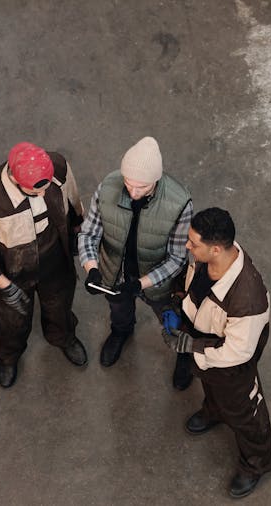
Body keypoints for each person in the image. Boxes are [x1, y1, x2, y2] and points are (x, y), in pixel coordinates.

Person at [162, 207, 271, 500]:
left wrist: (192, 346)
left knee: (246, 414)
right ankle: (214, 411)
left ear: (215, 248)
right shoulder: (206, 259)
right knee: (210, 384)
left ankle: (257, 463)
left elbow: (237, 350)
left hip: (232, 363)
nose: (188, 246)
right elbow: (193, 287)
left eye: (193, 243)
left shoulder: (247, 298)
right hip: (205, 341)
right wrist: (178, 304)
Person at [0, 142, 87, 389]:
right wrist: (2, 283)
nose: (43, 193)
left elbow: (73, 199)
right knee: (11, 319)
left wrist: (77, 232)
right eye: (35, 191)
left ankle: (64, 337)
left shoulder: (58, 167)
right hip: (11, 271)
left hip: (54, 258)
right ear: (15, 181)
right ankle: (9, 356)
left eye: (47, 187)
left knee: (60, 305)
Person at [78, 136, 193, 389]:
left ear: (156, 180)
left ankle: (185, 353)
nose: (132, 192)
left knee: (172, 319)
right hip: (114, 273)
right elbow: (89, 233)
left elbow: (177, 258)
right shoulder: (108, 187)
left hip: (157, 281)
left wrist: (140, 284)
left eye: (141, 187)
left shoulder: (179, 203)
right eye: (128, 184)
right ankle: (122, 331)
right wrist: (92, 269)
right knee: (119, 310)